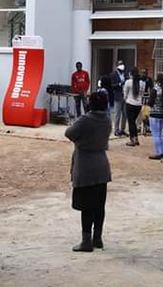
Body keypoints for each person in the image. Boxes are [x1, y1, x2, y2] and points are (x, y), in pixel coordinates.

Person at [65, 91, 112, 252]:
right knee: (100, 205)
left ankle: (86, 241)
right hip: (102, 165)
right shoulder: (107, 119)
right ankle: (97, 238)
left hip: (86, 165)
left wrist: (81, 141)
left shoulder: (85, 120)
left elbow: (69, 133)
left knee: (86, 206)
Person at [148, 74, 163, 160]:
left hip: (154, 113)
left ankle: (158, 153)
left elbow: (150, 102)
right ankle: (162, 152)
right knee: (160, 134)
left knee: (155, 134)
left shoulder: (155, 89)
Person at [122, 67, 145, 147]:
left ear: (131, 74)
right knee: (134, 122)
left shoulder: (128, 82)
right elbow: (142, 94)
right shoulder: (142, 83)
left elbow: (125, 94)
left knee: (131, 122)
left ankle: (133, 139)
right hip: (138, 105)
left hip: (130, 104)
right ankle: (136, 139)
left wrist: (125, 100)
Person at [110, 61, 127, 137]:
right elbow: (112, 85)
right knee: (117, 114)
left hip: (125, 96)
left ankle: (122, 129)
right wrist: (119, 84)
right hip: (118, 96)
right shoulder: (113, 75)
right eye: (120, 64)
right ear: (117, 66)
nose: (122, 66)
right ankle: (116, 130)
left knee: (125, 114)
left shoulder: (125, 74)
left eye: (122, 64)